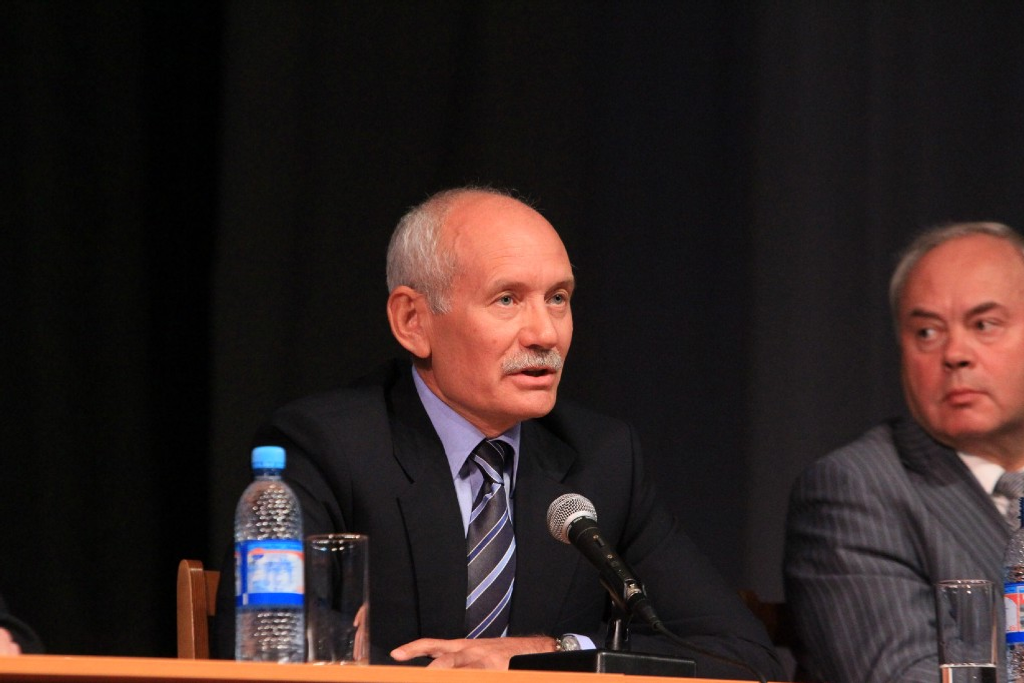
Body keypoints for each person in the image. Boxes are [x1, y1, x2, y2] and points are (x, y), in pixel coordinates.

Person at [214, 186, 784, 679]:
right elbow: (273, 654)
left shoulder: (602, 459)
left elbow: (741, 656)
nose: (545, 334)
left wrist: (548, 652)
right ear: (413, 321)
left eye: (558, 299)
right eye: (507, 299)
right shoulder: (327, 446)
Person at [784, 221, 1024, 683]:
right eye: (927, 332)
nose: (954, 353)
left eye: (984, 325)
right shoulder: (855, 490)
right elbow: (903, 676)